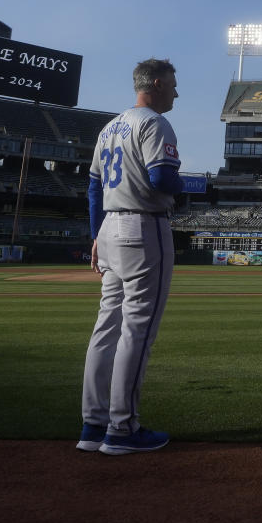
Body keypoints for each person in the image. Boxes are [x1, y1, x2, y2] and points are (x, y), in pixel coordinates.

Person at [76, 58, 183, 455]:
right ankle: (122, 429)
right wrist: (183, 182)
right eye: (172, 83)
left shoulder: (108, 127)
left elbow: (92, 188)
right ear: (155, 84)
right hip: (144, 226)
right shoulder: (153, 123)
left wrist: (95, 235)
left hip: (109, 227)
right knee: (138, 328)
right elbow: (161, 177)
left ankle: (93, 424)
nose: (176, 90)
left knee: (107, 326)